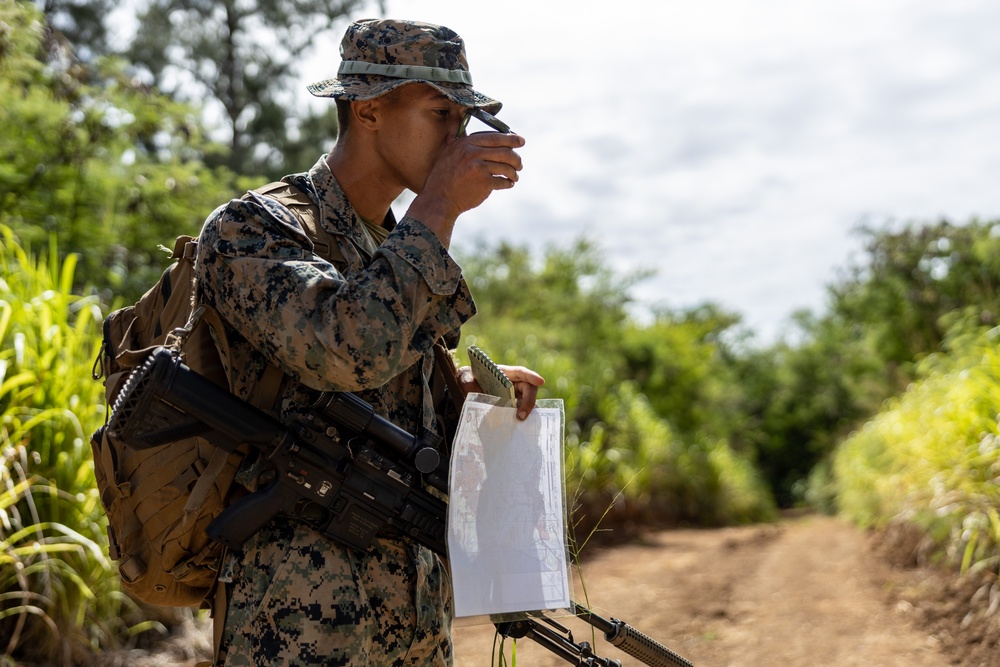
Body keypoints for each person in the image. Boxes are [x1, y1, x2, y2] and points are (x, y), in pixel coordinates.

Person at [194, 17, 545, 667]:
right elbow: (343, 349)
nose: (456, 138)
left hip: (411, 616)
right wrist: (438, 204)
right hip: (301, 623)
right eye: (441, 112)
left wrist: (463, 401)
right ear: (368, 109)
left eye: (464, 121)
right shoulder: (253, 229)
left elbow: (389, 403)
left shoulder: (394, 245)